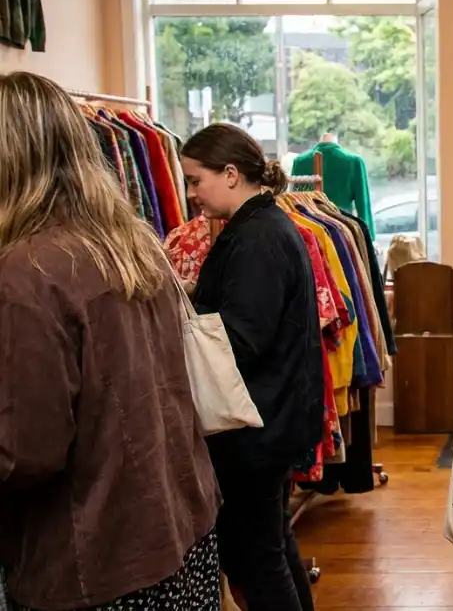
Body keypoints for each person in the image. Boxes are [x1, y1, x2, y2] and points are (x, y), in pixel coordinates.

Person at [0, 71, 221, 610]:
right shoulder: (132, 245)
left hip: (96, 563)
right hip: (181, 532)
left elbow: (25, 451)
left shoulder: (25, 274)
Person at [181, 123, 325, 611]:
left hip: (256, 426)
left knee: (256, 559)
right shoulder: (262, 226)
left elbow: (241, 338)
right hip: (268, 418)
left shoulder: (258, 236)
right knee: (272, 546)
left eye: (196, 180)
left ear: (229, 173)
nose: (192, 193)